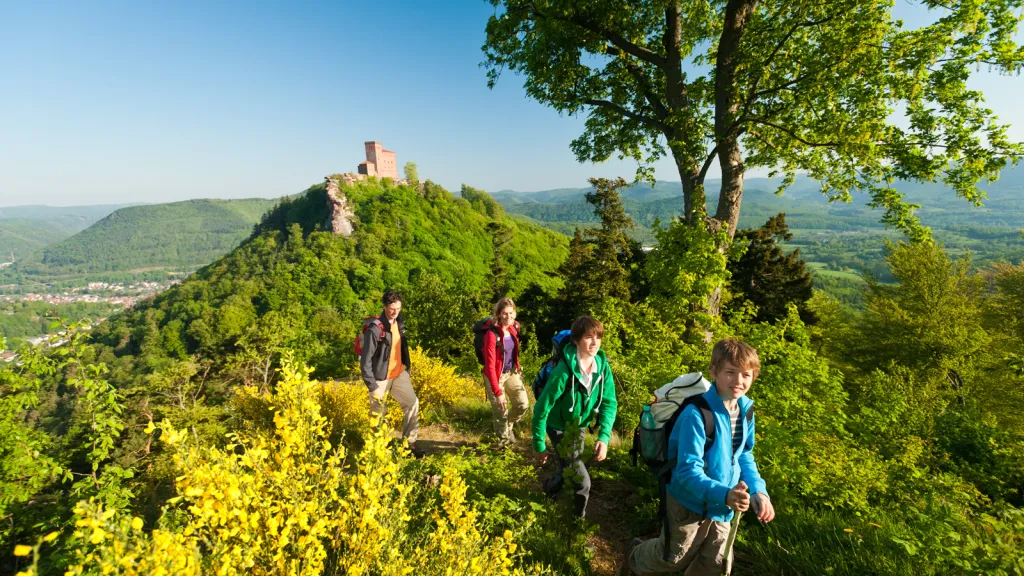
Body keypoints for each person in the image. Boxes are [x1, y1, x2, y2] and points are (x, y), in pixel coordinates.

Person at [623, 338, 775, 576]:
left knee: (714, 565)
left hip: (725, 505)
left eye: (746, 375)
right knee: (673, 558)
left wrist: (758, 490)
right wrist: (724, 494)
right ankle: (635, 556)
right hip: (688, 502)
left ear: (754, 376)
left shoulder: (746, 411)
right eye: (730, 372)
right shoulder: (697, 414)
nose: (738, 381)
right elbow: (687, 471)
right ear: (714, 372)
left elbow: (744, 454)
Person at [532, 315, 618, 518]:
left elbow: (609, 402)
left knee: (567, 465)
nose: (595, 342)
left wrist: (604, 437)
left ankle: (550, 488)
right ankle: (576, 523)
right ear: (576, 340)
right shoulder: (563, 372)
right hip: (558, 425)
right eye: (589, 337)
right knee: (582, 482)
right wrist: (539, 444)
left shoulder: (602, 368)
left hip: (579, 426)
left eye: (598, 337)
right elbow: (541, 408)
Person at [360, 289, 422, 457]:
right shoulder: (375, 329)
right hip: (380, 378)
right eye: (392, 308)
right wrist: (372, 386)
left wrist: (407, 367)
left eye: (398, 308)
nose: (395, 312)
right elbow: (365, 361)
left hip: (399, 373)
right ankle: (377, 451)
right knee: (378, 414)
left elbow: (402, 347)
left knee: (412, 403)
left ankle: (409, 445)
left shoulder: (399, 322)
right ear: (385, 306)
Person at [480, 297, 530, 448]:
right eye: (505, 314)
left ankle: (509, 426)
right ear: (498, 314)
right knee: (501, 412)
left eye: (511, 313)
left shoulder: (515, 327)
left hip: (511, 372)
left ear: (515, 312)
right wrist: (497, 392)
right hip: (494, 376)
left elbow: (513, 351)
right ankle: (503, 446)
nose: (509, 317)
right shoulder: (491, 335)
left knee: (523, 404)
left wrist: (518, 366)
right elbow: (489, 366)